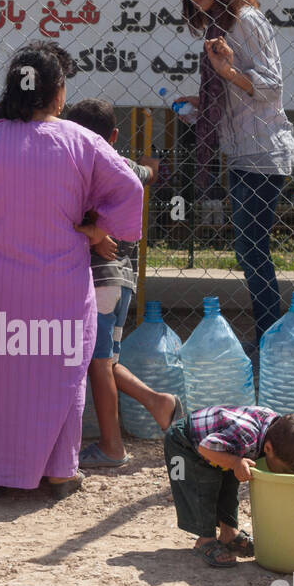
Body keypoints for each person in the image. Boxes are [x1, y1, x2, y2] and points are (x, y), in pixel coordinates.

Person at [0, 41, 145, 501]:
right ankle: (58, 473)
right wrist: (97, 228)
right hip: (61, 289)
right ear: (56, 92)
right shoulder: (82, 141)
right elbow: (131, 187)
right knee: (60, 375)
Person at [173, 0, 294, 345]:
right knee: (248, 252)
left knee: (252, 251)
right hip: (242, 150)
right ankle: (268, 336)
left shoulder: (246, 20)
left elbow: (271, 86)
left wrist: (226, 70)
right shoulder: (218, 24)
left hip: (263, 149)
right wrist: (204, 101)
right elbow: (235, 87)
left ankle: (269, 339)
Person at [60, 98, 183, 468]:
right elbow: (149, 174)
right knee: (106, 359)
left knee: (96, 363)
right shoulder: (125, 166)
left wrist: (93, 232)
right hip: (123, 283)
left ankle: (112, 447)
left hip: (97, 281)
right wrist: (154, 161)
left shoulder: (79, 168)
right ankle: (158, 401)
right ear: (113, 135)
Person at [164, 406, 294, 568]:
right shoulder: (246, 436)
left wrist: (235, 465)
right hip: (186, 443)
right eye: (284, 471)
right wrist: (234, 462)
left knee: (229, 484)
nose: (285, 476)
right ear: (268, 449)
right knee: (203, 487)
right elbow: (205, 447)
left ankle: (229, 534)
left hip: (221, 446)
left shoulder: (281, 432)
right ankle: (206, 540)